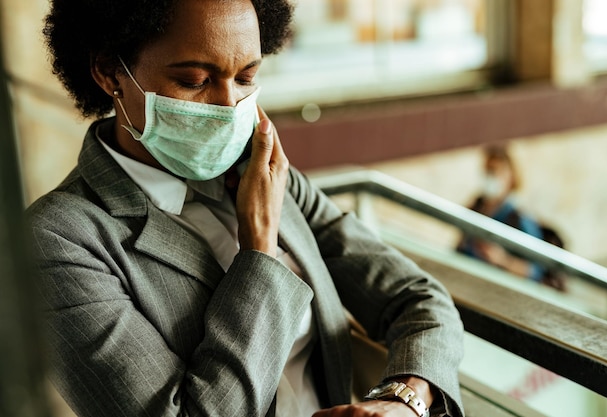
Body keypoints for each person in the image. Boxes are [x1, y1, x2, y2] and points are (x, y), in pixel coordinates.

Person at [27, 0, 465, 416]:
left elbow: (419, 299)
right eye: (195, 80)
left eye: (246, 76)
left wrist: (405, 397)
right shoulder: (57, 242)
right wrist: (259, 248)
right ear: (109, 71)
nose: (228, 105)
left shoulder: (268, 175)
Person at [457, 144, 545, 282]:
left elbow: (535, 272)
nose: (491, 177)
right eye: (488, 171)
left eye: (496, 172)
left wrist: (502, 260)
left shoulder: (519, 219)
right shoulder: (475, 209)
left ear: (510, 177)